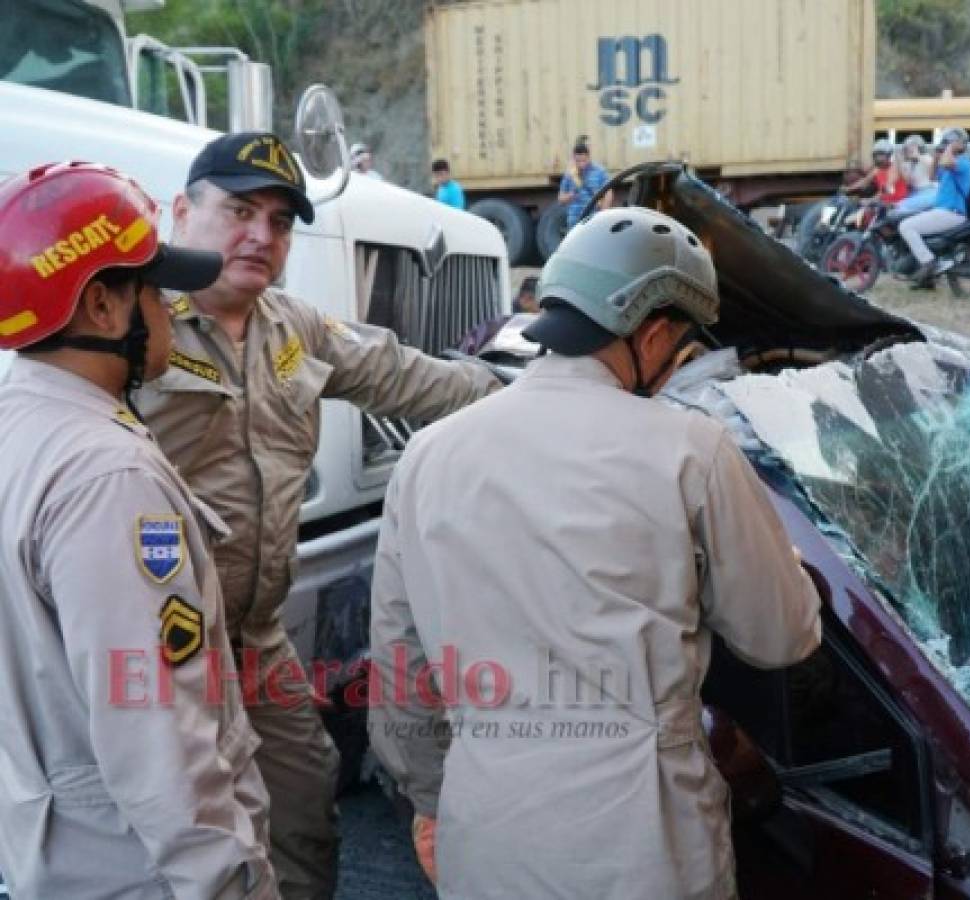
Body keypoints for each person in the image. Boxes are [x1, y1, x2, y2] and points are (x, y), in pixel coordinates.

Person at [370, 207, 823, 898]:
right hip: (645, 840)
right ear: (653, 333)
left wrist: (434, 801)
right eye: (678, 352)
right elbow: (780, 637)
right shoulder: (691, 450)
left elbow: (400, 674)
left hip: (486, 832)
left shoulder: (427, 454)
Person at [133, 131, 501, 899]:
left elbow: (402, 375)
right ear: (180, 211)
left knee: (304, 811)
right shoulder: (131, 322)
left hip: (259, 643)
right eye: (239, 210)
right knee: (174, 846)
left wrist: (535, 391)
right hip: (152, 652)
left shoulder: (292, 329)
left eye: (279, 221)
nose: (260, 236)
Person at [0, 162, 278, 898]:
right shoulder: (108, 476)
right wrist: (230, 883)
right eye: (151, 290)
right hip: (138, 871)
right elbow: (155, 735)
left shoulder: (19, 424)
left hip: (48, 851)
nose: (165, 308)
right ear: (100, 305)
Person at [898, 126, 970, 286]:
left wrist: (949, 148)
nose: (944, 145)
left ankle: (928, 262)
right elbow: (932, 175)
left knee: (906, 227)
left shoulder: (963, 163)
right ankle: (926, 279)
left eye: (947, 142)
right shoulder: (949, 166)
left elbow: (947, 161)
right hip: (942, 211)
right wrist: (935, 155)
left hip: (951, 213)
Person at [558, 139, 611, 229]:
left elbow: (609, 192)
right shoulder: (569, 174)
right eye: (578, 161)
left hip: (594, 218)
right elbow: (560, 199)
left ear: (588, 157)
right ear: (574, 158)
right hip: (575, 219)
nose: (581, 164)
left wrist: (604, 211)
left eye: (584, 160)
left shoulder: (599, 171)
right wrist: (570, 195)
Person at [846, 137, 909, 206]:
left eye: (881, 155)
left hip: (897, 204)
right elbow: (864, 181)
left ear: (889, 156)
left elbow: (886, 190)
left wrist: (870, 200)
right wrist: (848, 189)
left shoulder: (894, 170)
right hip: (884, 203)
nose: (878, 158)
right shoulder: (878, 169)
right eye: (876, 155)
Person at [894, 134, 938, 214]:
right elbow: (907, 181)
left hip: (929, 192)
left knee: (900, 207)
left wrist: (917, 155)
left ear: (920, 148)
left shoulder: (926, 158)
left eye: (912, 147)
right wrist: (900, 163)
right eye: (907, 148)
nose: (909, 150)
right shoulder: (908, 163)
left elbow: (931, 165)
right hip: (915, 193)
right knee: (897, 207)